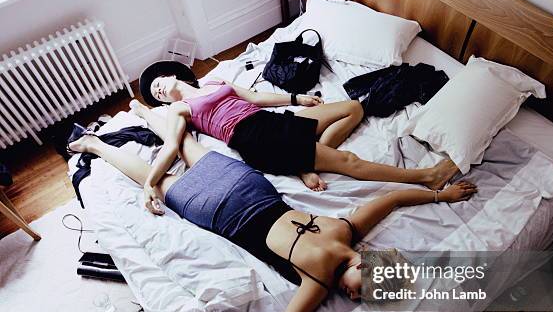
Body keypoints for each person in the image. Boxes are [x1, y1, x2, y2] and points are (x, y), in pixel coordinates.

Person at [68, 117, 477, 312]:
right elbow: (391, 198)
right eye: (362, 292)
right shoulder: (346, 235)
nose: (353, 298)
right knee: (189, 150)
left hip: (221, 211)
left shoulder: (320, 278)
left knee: (157, 176)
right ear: (368, 264)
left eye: (360, 301)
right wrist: (439, 194)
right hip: (250, 190)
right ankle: (145, 120)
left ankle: (98, 144)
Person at [133, 61, 459, 214]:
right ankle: (426, 176)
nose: (159, 90)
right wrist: (150, 182)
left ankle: (305, 162)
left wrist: (296, 99)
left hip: (270, 121)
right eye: (156, 95)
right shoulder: (180, 110)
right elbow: (172, 147)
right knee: (348, 162)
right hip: (255, 139)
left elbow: (256, 98)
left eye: (158, 83)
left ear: (171, 74)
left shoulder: (215, 81)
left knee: (353, 109)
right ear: (165, 103)